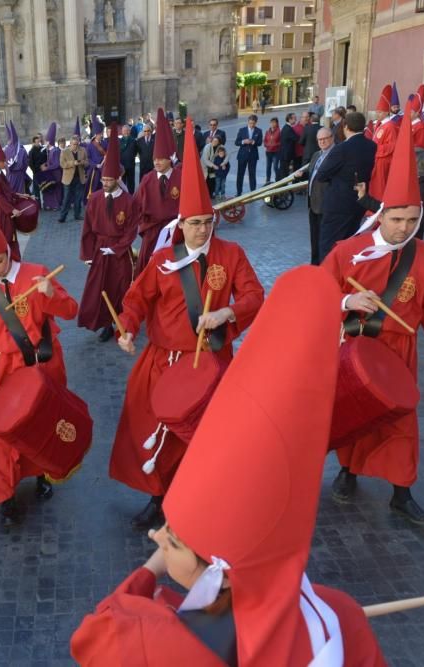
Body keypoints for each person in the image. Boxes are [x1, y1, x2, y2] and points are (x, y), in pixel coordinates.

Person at [73, 265, 387, 667]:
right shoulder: (342, 617)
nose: (156, 538)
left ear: (218, 575)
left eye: (171, 540)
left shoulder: (163, 644)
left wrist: (151, 570)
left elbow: (98, 629)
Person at [109, 124, 263, 530]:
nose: (202, 230)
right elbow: (136, 300)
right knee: (152, 428)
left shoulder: (231, 255)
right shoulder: (163, 261)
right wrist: (126, 328)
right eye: (194, 223)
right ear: (181, 223)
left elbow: (253, 296)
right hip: (163, 360)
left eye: (207, 222)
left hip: (211, 361)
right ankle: (157, 497)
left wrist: (227, 314)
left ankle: (197, 499)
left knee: (207, 436)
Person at [323, 101, 424, 524]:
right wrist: (347, 301)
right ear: (381, 215)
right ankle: (347, 472)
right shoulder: (348, 251)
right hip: (357, 349)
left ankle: (402, 492)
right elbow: (320, 293)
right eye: (398, 218)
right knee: (353, 416)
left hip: (400, 354)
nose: (404, 228)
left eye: (413, 219)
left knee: (401, 422)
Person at [0, 170, 80, 527]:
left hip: (41, 365)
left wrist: (51, 295)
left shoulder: (36, 274)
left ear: (8, 251)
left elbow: (71, 310)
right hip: (3, 370)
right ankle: (4, 494)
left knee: (41, 425)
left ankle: (43, 476)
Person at [78, 126, 139, 342]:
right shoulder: (94, 199)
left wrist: (117, 248)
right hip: (98, 251)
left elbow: (132, 230)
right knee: (100, 289)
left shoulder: (128, 201)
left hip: (119, 253)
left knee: (120, 288)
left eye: (109, 181)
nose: (105, 184)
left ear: (117, 178)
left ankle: (122, 321)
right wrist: (87, 253)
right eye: (103, 180)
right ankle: (105, 322)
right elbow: (87, 228)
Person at [314, 111, 375, 263]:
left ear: (345, 127)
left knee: (329, 246)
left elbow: (321, 174)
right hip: (359, 203)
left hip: (338, 205)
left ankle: (328, 279)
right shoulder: (372, 146)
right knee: (350, 245)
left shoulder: (342, 148)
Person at [132, 108, 182, 277]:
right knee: (147, 272)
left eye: (161, 159)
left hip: (177, 234)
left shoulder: (180, 177)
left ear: (170, 158)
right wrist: (144, 226)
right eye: (155, 159)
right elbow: (135, 206)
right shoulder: (147, 179)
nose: (157, 162)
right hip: (153, 234)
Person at [0, 127, 33, 259]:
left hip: (7, 211)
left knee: (12, 236)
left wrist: (20, 195)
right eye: (3, 161)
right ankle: (7, 260)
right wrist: (11, 210)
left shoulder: (0, 174)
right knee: (6, 237)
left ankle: (14, 258)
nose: (5, 163)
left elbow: (8, 191)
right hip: (2, 213)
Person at [305, 127, 334, 265]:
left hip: (326, 205)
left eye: (324, 139)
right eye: (319, 140)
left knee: (325, 241)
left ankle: (324, 267)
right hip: (313, 204)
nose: (322, 142)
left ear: (332, 138)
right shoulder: (316, 155)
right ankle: (314, 265)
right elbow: (313, 176)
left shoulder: (336, 155)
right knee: (314, 239)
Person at [368, 86, 400, 200]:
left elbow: (392, 145)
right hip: (377, 159)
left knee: (380, 186)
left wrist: (375, 149)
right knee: (375, 185)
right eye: (377, 112)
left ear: (386, 112)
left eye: (380, 112)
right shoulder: (380, 124)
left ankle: (380, 206)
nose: (377, 114)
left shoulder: (390, 126)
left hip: (383, 160)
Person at [58, 134, 89, 224]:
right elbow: (62, 164)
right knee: (66, 198)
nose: (76, 146)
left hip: (80, 178)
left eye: (77, 144)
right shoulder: (64, 152)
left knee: (78, 198)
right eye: (74, 144)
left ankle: (77, 214)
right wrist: (73, 163)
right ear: (70, 144)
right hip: (68, 179)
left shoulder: (83, 150)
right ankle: (62, 216)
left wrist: (82, 162)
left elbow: (87, 162)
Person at [35, 122, 64, 210]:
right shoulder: (49, 150)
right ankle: (53, 205)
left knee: (57, 190)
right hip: (52, 173)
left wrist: (47, 167)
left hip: (56, 173)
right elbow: (50, 162)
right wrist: (45, 164)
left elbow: (56, 164)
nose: (46, 142)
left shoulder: (55, 151)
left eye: (47, 141)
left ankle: (57, 204)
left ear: (49, 142)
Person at [233, 115, 262, 196]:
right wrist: (243, 141)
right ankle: (239, 192)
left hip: (253, 156)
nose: (251, 125)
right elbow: (236, 142)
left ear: (256, 122)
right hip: (242, 155)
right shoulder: (242, 130)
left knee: (252, 174)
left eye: (253, 123)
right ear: (248, 121)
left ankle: (253, 192)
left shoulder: (259, 131)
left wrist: (254, 142)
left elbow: (260, 143)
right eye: (250, 123)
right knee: (240, 174)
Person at [276, 112, 299, 179]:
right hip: (285, 156)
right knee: (284, 174)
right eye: (294, 118)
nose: (296, 120)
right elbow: (297, 138)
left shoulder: (287, 127)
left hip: (285, 155)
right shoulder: (288, 129)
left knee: (284, 172)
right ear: (289, 119)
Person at [118, 124, 138, 193]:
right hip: (122, 166)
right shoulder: (119, 141)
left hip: (131, 165)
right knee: (122, 183)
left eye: (127, 130)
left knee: (131, 183)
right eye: (124, 131)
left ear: (129, 131)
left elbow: (135, 152)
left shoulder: (134, 141)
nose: (126, 132)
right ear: (122, 132)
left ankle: (131, 198)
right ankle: (123, 197)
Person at [27, 134, 45, 207]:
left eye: (39, 142)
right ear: (34, 143)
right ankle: (38, 205)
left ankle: (46, 203)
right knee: (36, 190)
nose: (38, 143)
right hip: (36, 172)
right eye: (37, 142)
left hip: (44, 172)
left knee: (45, 188)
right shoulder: (31, 151)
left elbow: (46, 159)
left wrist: (45, 166)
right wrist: (36, 170)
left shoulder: (42, 149)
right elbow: (30, 163)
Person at [262, 117, 281, 184]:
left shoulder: (279, 131)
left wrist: (274, 144)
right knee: (268, 166)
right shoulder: (268, 131)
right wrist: (267, 144)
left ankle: (278, 179)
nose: (272, 124)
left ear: (277, 123)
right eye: (271, 122)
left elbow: (281, 142)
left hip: (276, 152)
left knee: (275, 166)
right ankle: (268, 180)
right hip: (268, 152)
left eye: (274, 122)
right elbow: (265, 140)